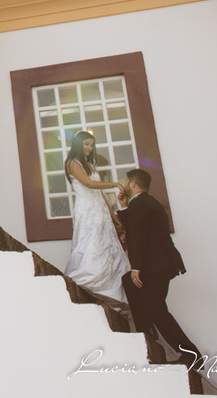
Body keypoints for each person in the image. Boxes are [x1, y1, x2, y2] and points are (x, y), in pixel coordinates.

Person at [117, 168, 201, 366]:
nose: (125, 184)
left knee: (156, 309)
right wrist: (123, 207)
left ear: (132, 184)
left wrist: (136, 267)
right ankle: (147, 331)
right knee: (130, 284)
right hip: (158, 264)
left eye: (126, 181)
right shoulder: (143, 203)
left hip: (157, 265)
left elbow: (138, 237)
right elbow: (135, 228)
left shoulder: (140, 204)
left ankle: (192, 355)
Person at [63, 130, 129, 303]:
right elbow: (89, 184)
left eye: (92, 145)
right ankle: (88, 281)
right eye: (86, 144)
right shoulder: (72, 163)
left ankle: (111, 289)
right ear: (78, 144)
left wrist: (114, 217)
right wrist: (114, 184)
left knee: (106, 244)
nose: (90, 148)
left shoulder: (90, 165)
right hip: (87, 208)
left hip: (100, 208)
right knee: (90, 242)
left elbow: (99, 193)